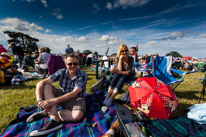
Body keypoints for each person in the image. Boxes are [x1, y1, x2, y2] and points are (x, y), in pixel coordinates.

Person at [28, 54, 88, 136]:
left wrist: (52, 101)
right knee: (46, 86)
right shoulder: (61, 72)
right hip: (62, 95)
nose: (73, 66)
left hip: (76, 99)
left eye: (75, 64)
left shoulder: (83, 75)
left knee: (77, 116)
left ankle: (50, 113)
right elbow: (41, 83)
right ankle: (55, 120)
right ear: (66, 65)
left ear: (78, 64)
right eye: (70, 64)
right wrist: (40, 101)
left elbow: (74, 94)